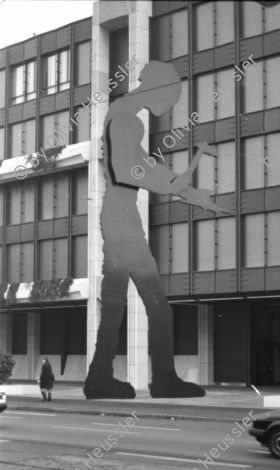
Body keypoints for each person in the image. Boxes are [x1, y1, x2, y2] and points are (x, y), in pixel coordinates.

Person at [84, 61, 224, 400]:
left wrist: (191, 195)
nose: (170, 105)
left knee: (116, 303)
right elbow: (125, 171)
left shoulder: (123, 115)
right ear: (157, 89)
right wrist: (177, 188)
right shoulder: (127, 119)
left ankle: (99, 377)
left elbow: (146, 166)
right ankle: (162, 379)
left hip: (118, 217)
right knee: (158, 304)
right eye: (171, 96)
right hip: (122, 220)